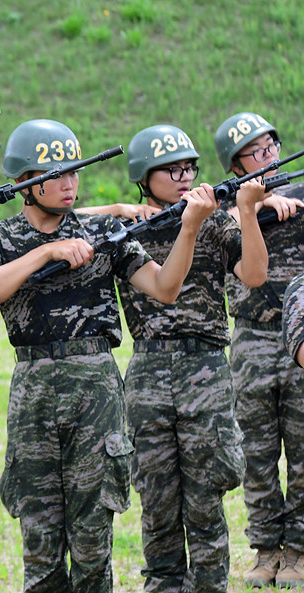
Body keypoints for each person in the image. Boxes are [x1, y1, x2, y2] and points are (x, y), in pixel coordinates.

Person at [0, 119, 217, 593]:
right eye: (56, 173)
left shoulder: (103, 231)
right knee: (39, 538)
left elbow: (165, 288)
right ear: (23, 183)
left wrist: (189, 229)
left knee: (92, 539)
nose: (69, 183)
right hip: (34, 388)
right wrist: (46, 254)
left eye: (74, 172)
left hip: (96, 388)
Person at [114, 124, 267, 592]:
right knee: (157, 496)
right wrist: (120, 208)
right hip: (148, 370)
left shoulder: (216, 222)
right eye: (171, 169)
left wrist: (246, 211)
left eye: (190, 168)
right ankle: (162, 584)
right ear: (144, 175)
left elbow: (256, 274)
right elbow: (69, 214)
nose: (184, 177)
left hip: (205, 367)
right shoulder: (126, 228)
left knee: (206, 495)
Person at [213, 111, 304, 587]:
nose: (270, 157)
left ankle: (299, 550)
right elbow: (211, 223)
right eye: (257, 152)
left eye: (272, 147)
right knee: (257, 449)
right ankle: (266, 548)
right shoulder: (225, 206)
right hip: (250, 338)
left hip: (301, 342)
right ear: (235, 165)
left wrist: (286, 200)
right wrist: (254, 208)